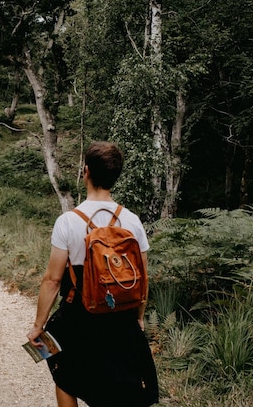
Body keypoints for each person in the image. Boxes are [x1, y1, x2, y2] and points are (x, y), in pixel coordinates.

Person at [27, 142, 159, 407]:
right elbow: (142, 279)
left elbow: (52, 280)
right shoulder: (132, 221)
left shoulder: (68, 221)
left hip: (79, 316)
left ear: (85, 172)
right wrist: (140, 317)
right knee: (117, 385)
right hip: (120, 317)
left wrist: (38, 325)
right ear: (115, 176)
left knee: (63, 373)